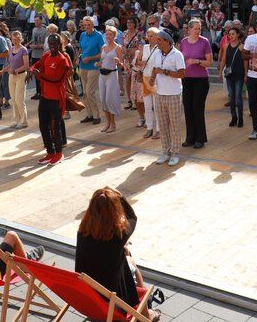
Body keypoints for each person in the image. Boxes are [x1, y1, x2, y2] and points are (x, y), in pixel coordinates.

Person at [74, 188, 159, 321]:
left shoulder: (82, 231)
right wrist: (121, 198)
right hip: (110, 300)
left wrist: (121, 248)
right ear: (115, 210)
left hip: (87, 297)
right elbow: (132, 217)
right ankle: (146, 314)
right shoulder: (119, 235)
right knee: (130, 262)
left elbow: (100, 247)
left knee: (124, 256)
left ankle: (145, 308)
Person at [31, 33, 72, 165]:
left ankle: (59, 154)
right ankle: (50, 152)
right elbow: (36, 65)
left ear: (60, 45)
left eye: (55, 44)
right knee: (43, 125)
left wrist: (39, 75)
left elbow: (57, 80)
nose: (52, 46)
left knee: (55, 126)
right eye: (50, 44)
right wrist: (32, 70)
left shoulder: (62, 60)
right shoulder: (46, 55)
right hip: (44, 96)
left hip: (56, 98)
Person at [150, 30, 185, 166]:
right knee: (163, 126)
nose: (156, 42)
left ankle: (176, 153)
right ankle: (165, 151)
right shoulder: (157, 53)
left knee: (175, 126)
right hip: (160, 94)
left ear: (167, 41)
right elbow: (154, 69)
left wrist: (165, 72)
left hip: (174, 94)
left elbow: (182, 74)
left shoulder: (177, 54)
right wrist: (152, 78)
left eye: (159, 40)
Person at [180, 19, 212, 149]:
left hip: (201, 80)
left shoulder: (204, 41)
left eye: (199, 28)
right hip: (186, 79)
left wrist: (197, 61)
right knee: (187, 108)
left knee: (197, 108)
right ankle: (190, 138)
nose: (198, 30)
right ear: (189, 29)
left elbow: (209, 62)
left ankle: (200, 139)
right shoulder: (183, 42)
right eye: (196, 28)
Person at [78, 16, 106, 126]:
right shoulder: (82, 35)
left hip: (94, 67)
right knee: (85, 93)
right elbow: (81, 49)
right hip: (82, 67)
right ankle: (89, 115)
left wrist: (90, 58)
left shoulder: (98, 36)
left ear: (93, 25)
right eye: (85, 25)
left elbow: (102, 53)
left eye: (88, 25)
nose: (86, 27)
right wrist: (78, 57)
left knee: (89, 92)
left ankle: (96, 116)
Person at [97, 25, 124, 134]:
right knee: (103, 99)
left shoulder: (118, 47)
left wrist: (119, 62)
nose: (108, 36)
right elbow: (102, 61)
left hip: (112, 75)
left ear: (114, 36)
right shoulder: (103, 47)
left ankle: (113, 124)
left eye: (110, 34)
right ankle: (107, 123)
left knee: (109, 99)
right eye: (107, 34)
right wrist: (98, 64)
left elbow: (122, 65)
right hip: (102, 75)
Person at [1, 30, 29, 129]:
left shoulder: (24, 50)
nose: (14, 41)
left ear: (20, 39)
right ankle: (16, 120)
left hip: (21, 76)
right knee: (13, 99)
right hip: (11, 76)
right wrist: (3, 71)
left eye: (16, 39)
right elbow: (10, 64)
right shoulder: (11, 49)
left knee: (19, 100)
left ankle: (23, 121)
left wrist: (15, 71)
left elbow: (26, 66)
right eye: (13, 39)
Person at [136, 28, 160, 140]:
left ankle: (159, 129)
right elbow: (137, 62)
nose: (149, 38)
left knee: (157, 106)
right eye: (148, 36)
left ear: (157, 37)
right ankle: (149, 128)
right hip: (145, 79)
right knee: (147, 106)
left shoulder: (160, 48)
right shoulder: (144, 47)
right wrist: (141, 62)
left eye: (152, 36)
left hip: (156, 79)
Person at [222, 25, 245, 128]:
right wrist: (220, 71)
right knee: (231, 97)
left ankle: (241, 118)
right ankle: (233, 117)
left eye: (233, 34)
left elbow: (245, 61)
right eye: (229, 34)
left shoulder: (241, 46)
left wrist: (246, 73)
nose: (231, 36)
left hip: (239, 74)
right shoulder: (226, 46)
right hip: (229, 75)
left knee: (238, 97)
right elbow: (224, 59)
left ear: (238, 35)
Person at [120, 17, 142, 111]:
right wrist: (124, 51)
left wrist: (131, 51)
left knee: (135, 80)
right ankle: (129, 100)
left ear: (134, 24)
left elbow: (140, 47)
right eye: (127, 22)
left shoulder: (139, 34)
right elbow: (122, 45)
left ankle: (135, 101)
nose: (128, 24)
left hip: (135, 60)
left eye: (131, 22)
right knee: (128, 79)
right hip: (127, 60)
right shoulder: (124, 33)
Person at [29, 16, 48, 99]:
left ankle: (43, 92)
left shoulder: (45, 30)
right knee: (35, 74)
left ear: (41, 20)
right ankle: (38, 92)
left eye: (37, 20)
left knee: (42, 74)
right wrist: (28, 44)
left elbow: (46, 44)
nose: (36, 22)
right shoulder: (34, 29)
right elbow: (33, 40)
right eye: (35, 20)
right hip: (34, 55)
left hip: (41, 55)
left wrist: (35, 46)